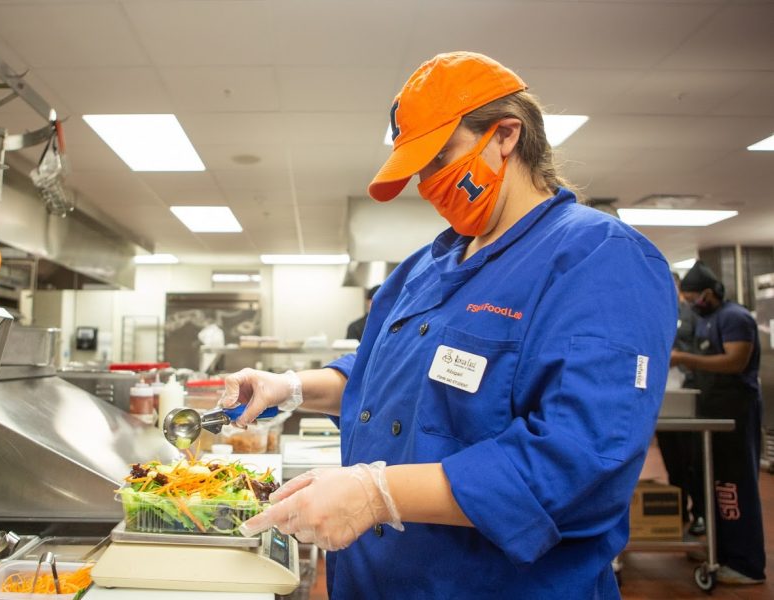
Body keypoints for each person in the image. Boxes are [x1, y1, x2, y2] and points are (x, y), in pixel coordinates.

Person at [223, 52, 676, 598]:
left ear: (506, 135)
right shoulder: (424, 267)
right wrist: (294, 387)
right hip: (374, 577)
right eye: (420, 171)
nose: (429, 184)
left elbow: (581, 459)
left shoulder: (599, 258)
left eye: (440, 159)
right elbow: (386, 379)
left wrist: (377, 494)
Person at [670, 261, 766, 585]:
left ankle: (746, 563)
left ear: (708, 294)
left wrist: (683, 359)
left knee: (735, 487)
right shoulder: (703, 319)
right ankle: (719, 548)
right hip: (711, 408)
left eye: (694, 296)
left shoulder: (735, 317)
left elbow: (735, 360)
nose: (691, 303)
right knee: (713, 482)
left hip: (736, 410)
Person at [656, 272, 706, 535]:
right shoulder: (655, 310)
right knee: (672, 460)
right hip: (663, 397)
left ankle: (700, 512)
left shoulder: (692, 317)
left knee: (692, 460)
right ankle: (679, 509)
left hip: (686, 394)